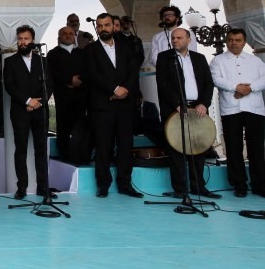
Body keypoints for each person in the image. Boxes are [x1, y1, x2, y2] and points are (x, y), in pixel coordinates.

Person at [155, 28, 220, 198]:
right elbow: (163, 84)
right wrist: (177, 103)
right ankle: (180, 189)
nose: (175, 40)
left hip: (197, 108)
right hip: (175, 110)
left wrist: (204, 104)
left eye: (179, 38)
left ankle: (198, 186)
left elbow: (208, 83)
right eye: (173, 38)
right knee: (176, 149)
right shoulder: (164, 58)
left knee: (198, 148)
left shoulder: (199, 58)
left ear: (188, 40)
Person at [85, 13, 142, 198]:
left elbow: (134, 71)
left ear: (113, 26)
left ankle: (125, 184)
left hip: (125, 104)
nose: (103, 29)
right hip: (102, 105)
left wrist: (125, 89)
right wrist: (114, 89)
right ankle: (103, 185)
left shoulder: (126, 47)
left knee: (126, 145)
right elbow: (92, 74)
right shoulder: (90, 50)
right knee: (103, 146)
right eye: (100, 26)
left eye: (106, 25)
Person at [210, 28, 265, 198]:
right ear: (227, 41)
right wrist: (237, 87)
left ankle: (260, 185)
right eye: (231, 40)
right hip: (231, 108)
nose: (234, 43)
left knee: (257, 148)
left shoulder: (255, 61)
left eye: (238, 40)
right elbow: (216, 79)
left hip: (254, 108)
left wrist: (249, 89)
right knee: (233, 148)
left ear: (244, 41)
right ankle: (239, 184)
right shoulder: (217, 61)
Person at [3, 25, 52, 199]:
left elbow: (49, 85)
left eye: (26, 39)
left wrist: (39, 102)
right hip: (20, 112)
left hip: (40, 112)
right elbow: (10, 86)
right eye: (20, 39)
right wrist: (27, 101)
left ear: (33, 41)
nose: (23, 42)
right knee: (21, 150)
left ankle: (43, 187)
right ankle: (21, 188)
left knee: (41, 150)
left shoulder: (43, 61)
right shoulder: (10, 62)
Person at [46, 26, 90, 163]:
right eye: (64, 34)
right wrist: (69, 80)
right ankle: (64, 156)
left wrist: (79, 81)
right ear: (59, 37)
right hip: (63, 96)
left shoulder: (82, 53)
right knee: (63, 127)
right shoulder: (53, 54)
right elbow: (52, 73)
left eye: (71, 33)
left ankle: (81, 156)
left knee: (82, 127)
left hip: (81, 96)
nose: (68, 35)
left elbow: (88, 70)